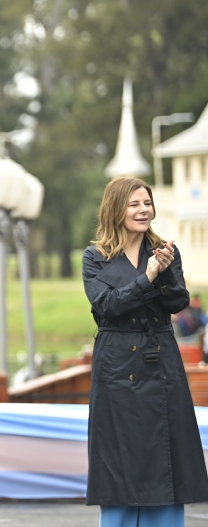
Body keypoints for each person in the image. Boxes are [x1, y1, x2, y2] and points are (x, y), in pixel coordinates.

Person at [82, 176, 208, 527]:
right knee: (119, 463)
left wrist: (163, 273)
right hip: (116, 366)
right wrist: (147, 277)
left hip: (160, 361)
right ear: (116, 209)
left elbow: (179, 301)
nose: (143, 210)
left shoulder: (165, 251)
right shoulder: (95, 257)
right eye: (134, 204)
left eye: (147, 203)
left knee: (164, 462)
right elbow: (107, 305)